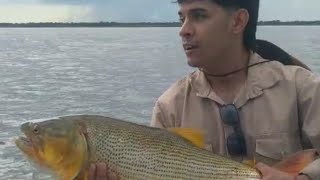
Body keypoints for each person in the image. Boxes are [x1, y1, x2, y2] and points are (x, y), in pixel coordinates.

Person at [89, 0, 320, 179]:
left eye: (199, 16)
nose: (184, 30)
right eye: (182, 18)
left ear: (238, 21)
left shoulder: (301, 88)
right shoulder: (170, 107)